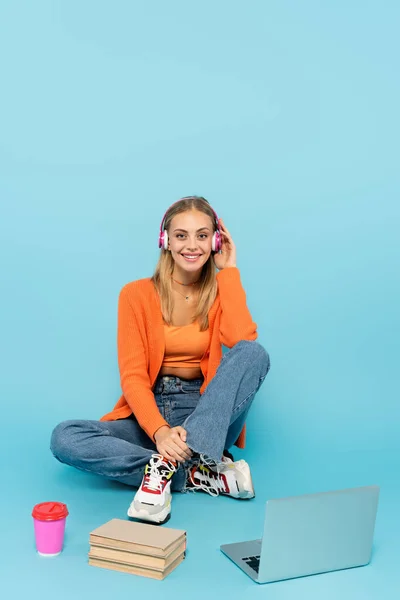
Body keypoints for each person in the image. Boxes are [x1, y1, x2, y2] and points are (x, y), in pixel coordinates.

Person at [50, 196, 270, 524]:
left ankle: (180, 462)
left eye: (202, 235)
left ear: (215, 241)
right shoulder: (135, 295)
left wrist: (230, 272)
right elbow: (134, 376)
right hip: (153, 411)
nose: (191, 245)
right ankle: (194, 473)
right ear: (165, 241)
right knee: (65, 436)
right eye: (181, 235)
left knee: (255, 353)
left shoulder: (222, 291)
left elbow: (242, 342)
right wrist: (161, 433)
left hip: (208, 411)